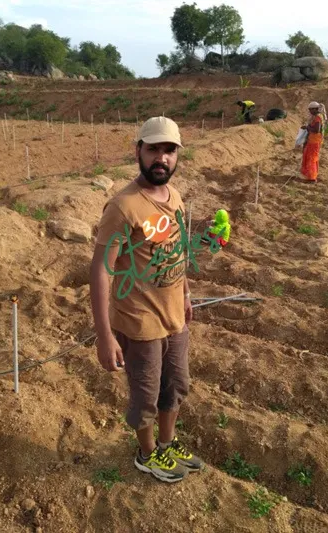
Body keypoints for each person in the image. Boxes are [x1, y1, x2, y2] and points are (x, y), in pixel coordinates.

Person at [89, 116, 205, 484]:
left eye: (169, 150)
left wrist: (185, 293)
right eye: (153, 149)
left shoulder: (176, 196)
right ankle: (147, 453)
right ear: (137, 150)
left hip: (174, 316)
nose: (162, 158)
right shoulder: (123, 207)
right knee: (146, 396)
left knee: (177, 385)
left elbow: (178, 249)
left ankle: (168, 444)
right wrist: (104, 336)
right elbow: (101, 270)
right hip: (139, 321)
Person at [300, 101, 325, 183]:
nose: (310, 112)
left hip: (315, 141)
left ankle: (312, 178)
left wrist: (307, 128)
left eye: (311, 110)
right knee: (310, 158)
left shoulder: (318, 117)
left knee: (312, 159)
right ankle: (311, 175)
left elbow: (316, 130)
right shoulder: (317, 117)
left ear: (315, 109)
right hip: (312, 140)